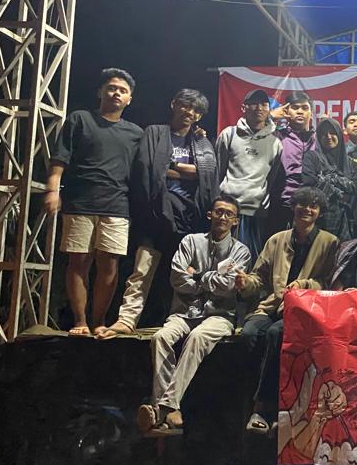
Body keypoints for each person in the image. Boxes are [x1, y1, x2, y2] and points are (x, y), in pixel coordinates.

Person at [103, 89, 216, 336]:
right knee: (141, 271)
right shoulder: (155, 133)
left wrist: (171, 167)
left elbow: (206, 174)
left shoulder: (201, 142)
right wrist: (183, 170)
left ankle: (178, 323)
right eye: (185, 105)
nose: (189, 112)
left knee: (183, 275)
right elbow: (147, 166)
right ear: (174, 104)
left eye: (196, 110)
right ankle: (127, 319)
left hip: (188, 217)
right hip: (154, 214)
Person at [137, 195, 251, 436]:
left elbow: (228, 287)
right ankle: (170, 409)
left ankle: (161, 409)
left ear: (236, 221)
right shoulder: (190, 241)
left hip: (220, 315)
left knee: (197, 337)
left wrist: (197, 275)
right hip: (184, 312)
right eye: (218, 211)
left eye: (228, 214)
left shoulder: (241, 251)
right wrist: (211, 279)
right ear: (210, 215)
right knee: (160, 338)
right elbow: (177, 279)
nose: (222, 217)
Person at [46, 69, 143, 335]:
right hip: (80, 203)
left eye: (122, 90)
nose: (116, 93)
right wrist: (53, 190)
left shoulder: (135, 133)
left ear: (129, 99)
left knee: (109, 267)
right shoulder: (80, 119)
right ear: (100, 92)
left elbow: (150, 165)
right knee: (78, 263)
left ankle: (99, 320)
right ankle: (80, 322)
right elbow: (60, 158)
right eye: (111, 88)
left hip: (117, 206)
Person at [237, 187, 340, 434]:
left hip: (305, 310)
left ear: (319, 212)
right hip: (272, 305)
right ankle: (251, 398)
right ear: (293, 207)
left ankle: (265, 407)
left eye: (313, 205)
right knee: (249, 334)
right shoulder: (277, 240)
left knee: (276, 334)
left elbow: (330, 282)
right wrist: (245, 283)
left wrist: (305, 285)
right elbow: (258, 277)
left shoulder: (330, 242)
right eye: (302, 204)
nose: (307, 209)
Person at [215, 88, 281, 261]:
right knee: (223, 260)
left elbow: (272, 178)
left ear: (268, 109)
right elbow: (218, 171)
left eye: (264, 104)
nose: (259, 108)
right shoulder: (229, 134)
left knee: (251, 261)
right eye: (254, 103)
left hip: (257, 211)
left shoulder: (276, 142)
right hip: (228, 210)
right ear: (244, 108)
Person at [267, 91, 317, 235]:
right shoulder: (276, 136)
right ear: (287, 111)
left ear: (311, 114)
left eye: (305, 108)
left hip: (312, 206)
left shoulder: (319, 139)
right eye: (295, 107)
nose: (300, 111)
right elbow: (252, 137)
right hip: (281, 204)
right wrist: (270, 117)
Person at [301, 116, 357, 240]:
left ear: (339, 135)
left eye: (333, 133)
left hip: (345, 222)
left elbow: (355, 188)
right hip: (319, 219)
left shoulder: (349, 162)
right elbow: (309, 183)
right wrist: (341, 187)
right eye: (323, 134)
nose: (328, 137)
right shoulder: (312, 157)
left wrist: (329, 179)